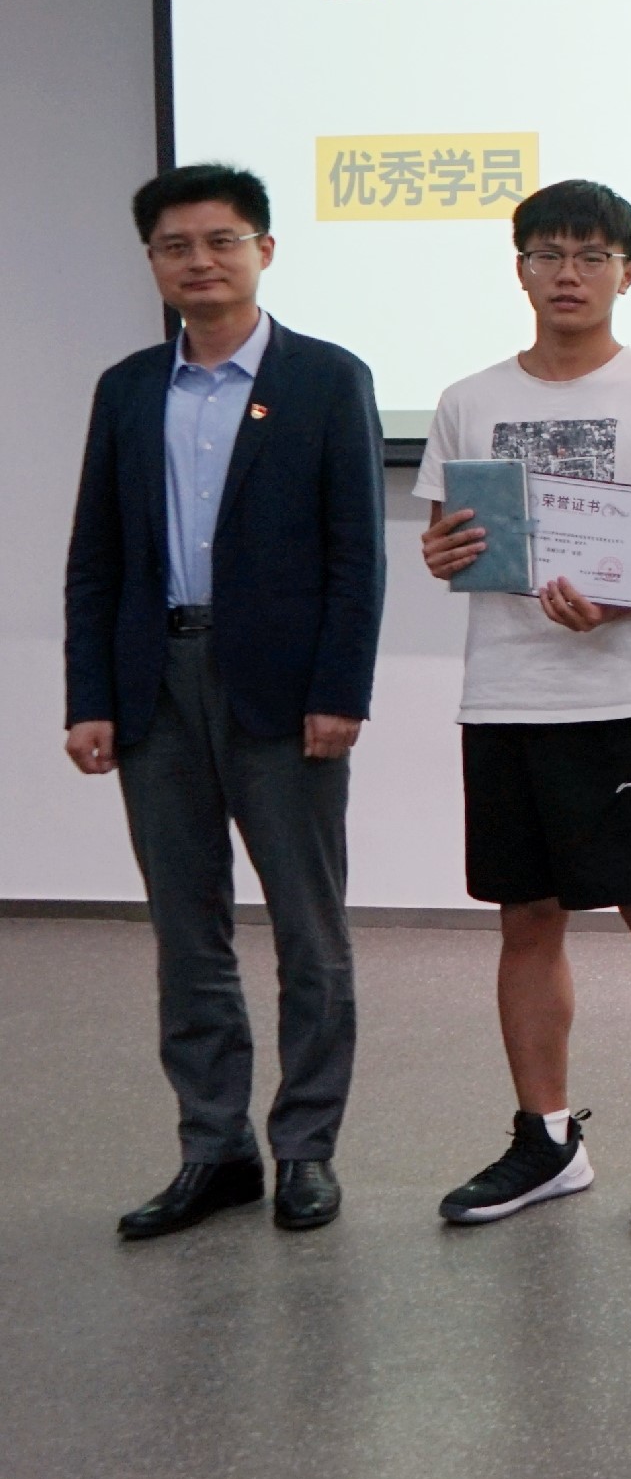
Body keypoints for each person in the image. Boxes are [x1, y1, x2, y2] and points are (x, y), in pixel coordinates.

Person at [64, 163, 386, 1240]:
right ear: (152, 261)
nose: (199, 261)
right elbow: (96, 557)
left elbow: (357, 554)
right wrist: (89, 695)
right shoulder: (126, 388)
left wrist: (341, 690)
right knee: (185, 930)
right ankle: (214, 1147)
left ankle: (306, 1148)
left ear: (264, 251)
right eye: (175, 245)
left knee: (309, 930)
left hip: (285, 693)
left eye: (221, 240)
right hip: (154, 685)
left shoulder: (327, 378)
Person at [414, 179, 631, 1232]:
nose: (568, 273)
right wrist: (443, 551)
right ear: (520, 268)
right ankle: (544, 1138)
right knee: (525, 918)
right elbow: (450, 538)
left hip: (626, 693)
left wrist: (628, 594)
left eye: (592, 255)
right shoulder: (467, 396)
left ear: (627, 271)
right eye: (547, 253)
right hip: (506, 692)